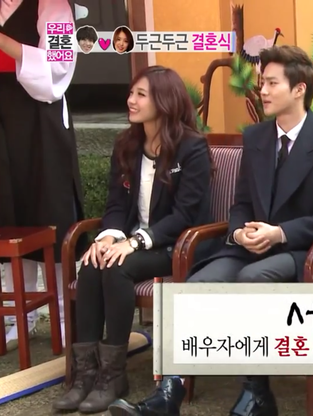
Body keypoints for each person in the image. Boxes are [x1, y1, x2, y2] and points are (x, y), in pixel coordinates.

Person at [108, 45, 313, 416]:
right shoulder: (256, 137)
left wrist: (279, 233)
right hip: (247, 246)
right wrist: (237, 233)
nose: (262, 90)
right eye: (262, 82)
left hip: (301, 250)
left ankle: (256, 393)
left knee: (253, 278)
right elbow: (241, 204)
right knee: (193, 287)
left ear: (299, 89)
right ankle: (168, 393)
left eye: (272, 83)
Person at [52, 65, 215, 414]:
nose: (130, 100)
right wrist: (109, 237)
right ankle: (85, 375)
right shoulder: (126, 144)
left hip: (178, 245)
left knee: (118, 267)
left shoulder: (192, 147)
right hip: (133, 241)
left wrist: (136, 241)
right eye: (131, 93)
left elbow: (185, 215)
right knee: (93, 264)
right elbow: (115, 205)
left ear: (165, 100)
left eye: (141, 94)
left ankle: (113, 376)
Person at [0, 0, 84, 350]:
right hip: (1, 121)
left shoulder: (55, 5)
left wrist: (2, 41)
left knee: (51, 214)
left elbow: (59, 67)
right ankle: (17, 319)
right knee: (8, 215)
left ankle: (64, 316)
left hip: (40, 121)